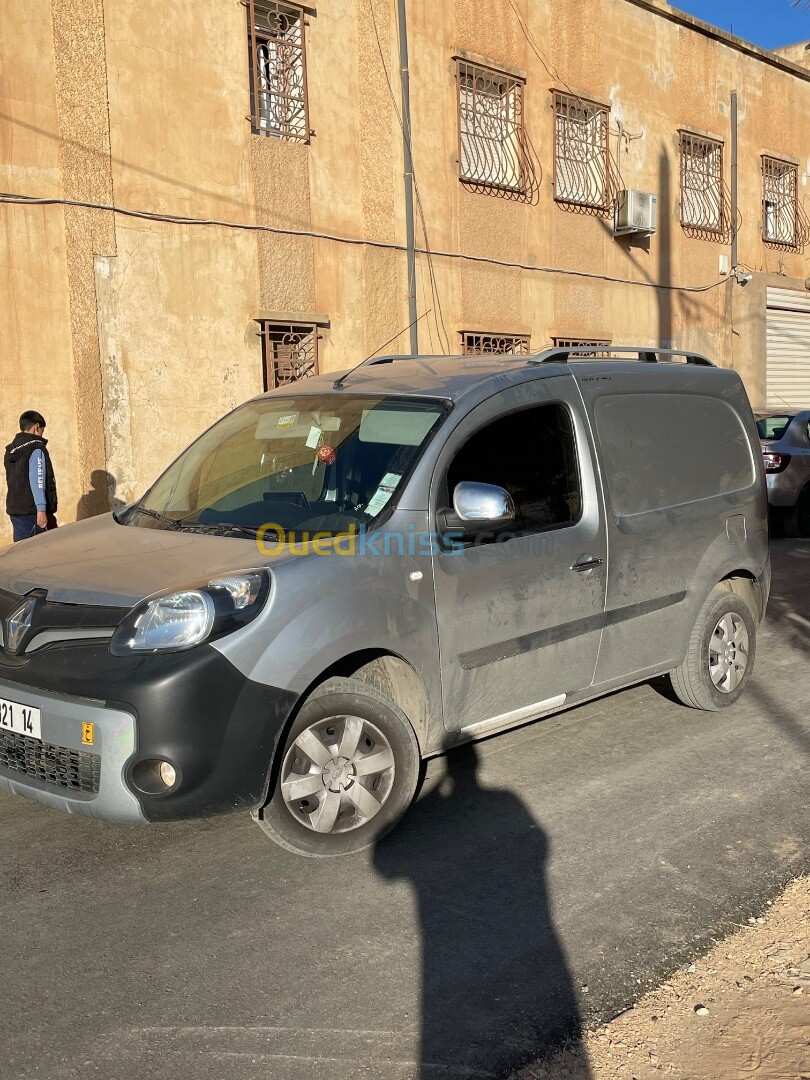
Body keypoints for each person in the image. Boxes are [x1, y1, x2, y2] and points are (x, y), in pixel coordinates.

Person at [4, 410, 58, 542]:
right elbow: (37, 479)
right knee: (40, 553)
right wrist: (41, 509)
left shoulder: (11, 450)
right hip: (33, 512)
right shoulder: (36, 448)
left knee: (22, 551)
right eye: (42, 430)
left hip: (16, 510)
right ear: (37, 427)